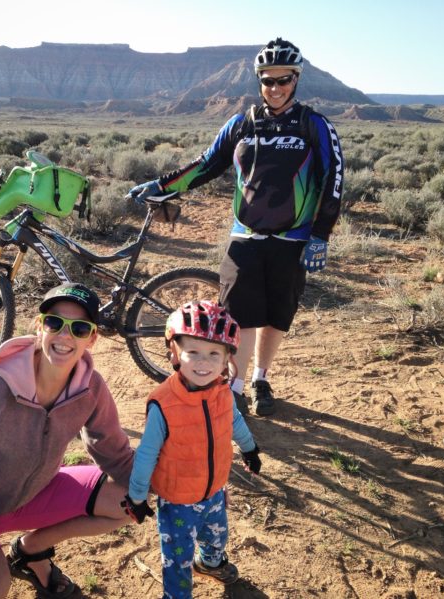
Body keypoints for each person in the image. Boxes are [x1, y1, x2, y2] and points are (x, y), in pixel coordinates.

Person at [128, 38, 344, 417]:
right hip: (245, 235)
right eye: (267, 80)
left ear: (296, 80)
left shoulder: (314, 125)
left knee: (277, 316)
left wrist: (320, 236)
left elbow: (334, 180)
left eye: (283, 80)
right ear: (258, 81)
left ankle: (261, 379)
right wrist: (161, 186)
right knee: (240, 316)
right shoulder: (242, 123)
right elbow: (205, 165)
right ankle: (237, 386)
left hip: (293, 238)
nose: (274, 88)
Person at [0, 282, 134, 599]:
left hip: (35, 495)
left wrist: (170, 490)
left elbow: (114, 452)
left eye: (79, 328)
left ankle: (32, 551)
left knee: (133, 502)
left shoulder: (90, 388)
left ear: (92, 338)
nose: (64, 335)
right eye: (54, 322)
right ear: (39, 326)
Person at [121, 300, 262, 599]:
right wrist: (136, 496)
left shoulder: (222, 391)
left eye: (214, 354)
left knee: (217, 536)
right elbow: (146, 454)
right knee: (177, 560)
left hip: (214, 490)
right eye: (193, 352)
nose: (203, 362)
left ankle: (209, 563)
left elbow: (234, 420)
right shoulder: (163, 404)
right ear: (175, 353)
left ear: (226, 359)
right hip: (177, 501)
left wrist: (249, 448)